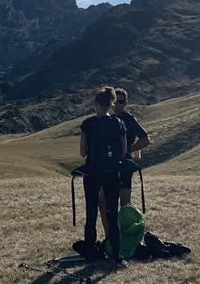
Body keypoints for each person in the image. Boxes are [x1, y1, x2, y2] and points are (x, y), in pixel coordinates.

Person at [78, 86, 128, 267]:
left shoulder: (88, 124)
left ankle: (90, 253)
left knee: (91, 214)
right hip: (112, 173)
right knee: (112, 214)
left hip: (92, 173)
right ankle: (116, 255)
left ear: (97, 103)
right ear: (112, 103)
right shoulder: (119, 124)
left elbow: (83, 153)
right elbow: (123, 152)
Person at [98, 87, 152, 234]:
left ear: (126, 103)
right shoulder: (105, 119)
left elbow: (146, 140)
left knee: (125, 206)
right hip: (107, 167)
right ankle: (110, 238)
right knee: (103, 204)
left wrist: (130, 150)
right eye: (116, 101)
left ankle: (126, 238)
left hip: (124, 167)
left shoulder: (129, 119)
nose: (118, 105)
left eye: (121, 102)